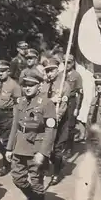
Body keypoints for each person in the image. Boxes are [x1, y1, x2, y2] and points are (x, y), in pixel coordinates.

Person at [5, 70, 57, 200]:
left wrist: (43, 152)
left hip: (36, 147)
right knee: (17, 178)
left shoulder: (46, 103)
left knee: (36, 181)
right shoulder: (20, 102)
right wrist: (9, 148)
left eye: (31, 85)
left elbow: (50, 129)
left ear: (39, 86)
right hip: (20, 145)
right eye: (25, 85)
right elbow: (15, 125)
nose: (27, 88)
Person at [0, 60, 22, 177]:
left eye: (3, 71)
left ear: (8, 71)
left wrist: (16, 119)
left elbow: (18, 105)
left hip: (7, 116)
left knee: (8, 142)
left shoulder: (14, 86)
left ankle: (6, 165)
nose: (0, 73)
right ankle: (7, 155)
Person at [40, 57, 71, 186]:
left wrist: (55, 119)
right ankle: (58, 162)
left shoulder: (64, 85)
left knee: (56, 148)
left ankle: (56, 173)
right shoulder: (44, 85)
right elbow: (40, 101)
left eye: (51, 70)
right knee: (46, 147)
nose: (49, 74)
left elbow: (63, 107)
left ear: (57, 70)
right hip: (45, 120)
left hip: (59, 121)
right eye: (47, 71)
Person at [62, 54, 84, 157]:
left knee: (70, 126)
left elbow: (80, 93)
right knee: (61, 124)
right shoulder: (61, 75)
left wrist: (77, 108)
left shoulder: (76, 76)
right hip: (62, 101)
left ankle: (69, 148)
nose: (67, 65)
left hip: (71, 101)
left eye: (69, 62)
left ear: (73, 63)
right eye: (64, 62)